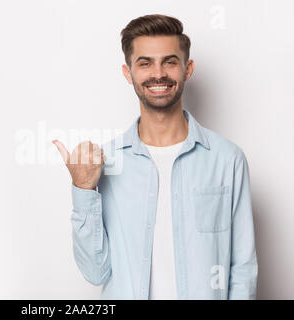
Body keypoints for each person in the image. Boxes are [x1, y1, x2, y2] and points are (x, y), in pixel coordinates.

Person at [52, 14, 257, 300]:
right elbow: (95, 272)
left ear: (188, 69)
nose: (158, 74)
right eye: (145, 63)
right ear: (128, 73)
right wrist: (83, 189)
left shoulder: (227, 159)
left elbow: (243, 267)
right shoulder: (105, 161)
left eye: (170, 62)